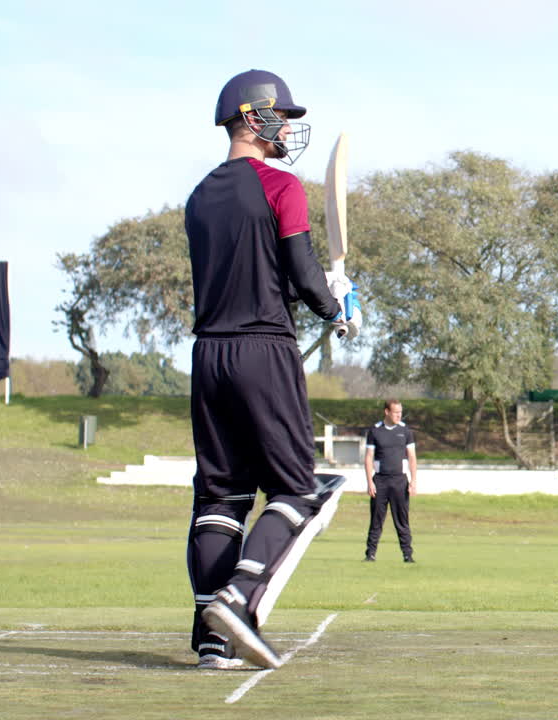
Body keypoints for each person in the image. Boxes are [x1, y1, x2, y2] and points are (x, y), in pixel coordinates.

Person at [185, 69, 357, 670]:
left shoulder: (200, 195)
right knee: (298, 487)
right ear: (252, 116)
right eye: (280, 115)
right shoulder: (281, 186)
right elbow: (299, 269)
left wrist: (315, 289)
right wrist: (336, 305)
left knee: (219, 496)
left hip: (208, 353)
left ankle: (210, 639)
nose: (286, 126)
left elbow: (250, 265)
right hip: (263, 347)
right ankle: (238, 599)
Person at [364, 400, 419, 562]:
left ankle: (407, 555)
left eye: (400, 412)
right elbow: (368, 458)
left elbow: (412, 458)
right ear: (387, 412)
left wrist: (413, 480)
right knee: (376, 520)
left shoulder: (405, 431)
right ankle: (370, 554)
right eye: (395, 412)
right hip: (380, 481)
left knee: (402, 520)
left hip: (399, 482)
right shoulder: (375, 431)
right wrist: (369, 482)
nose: (398, 415)